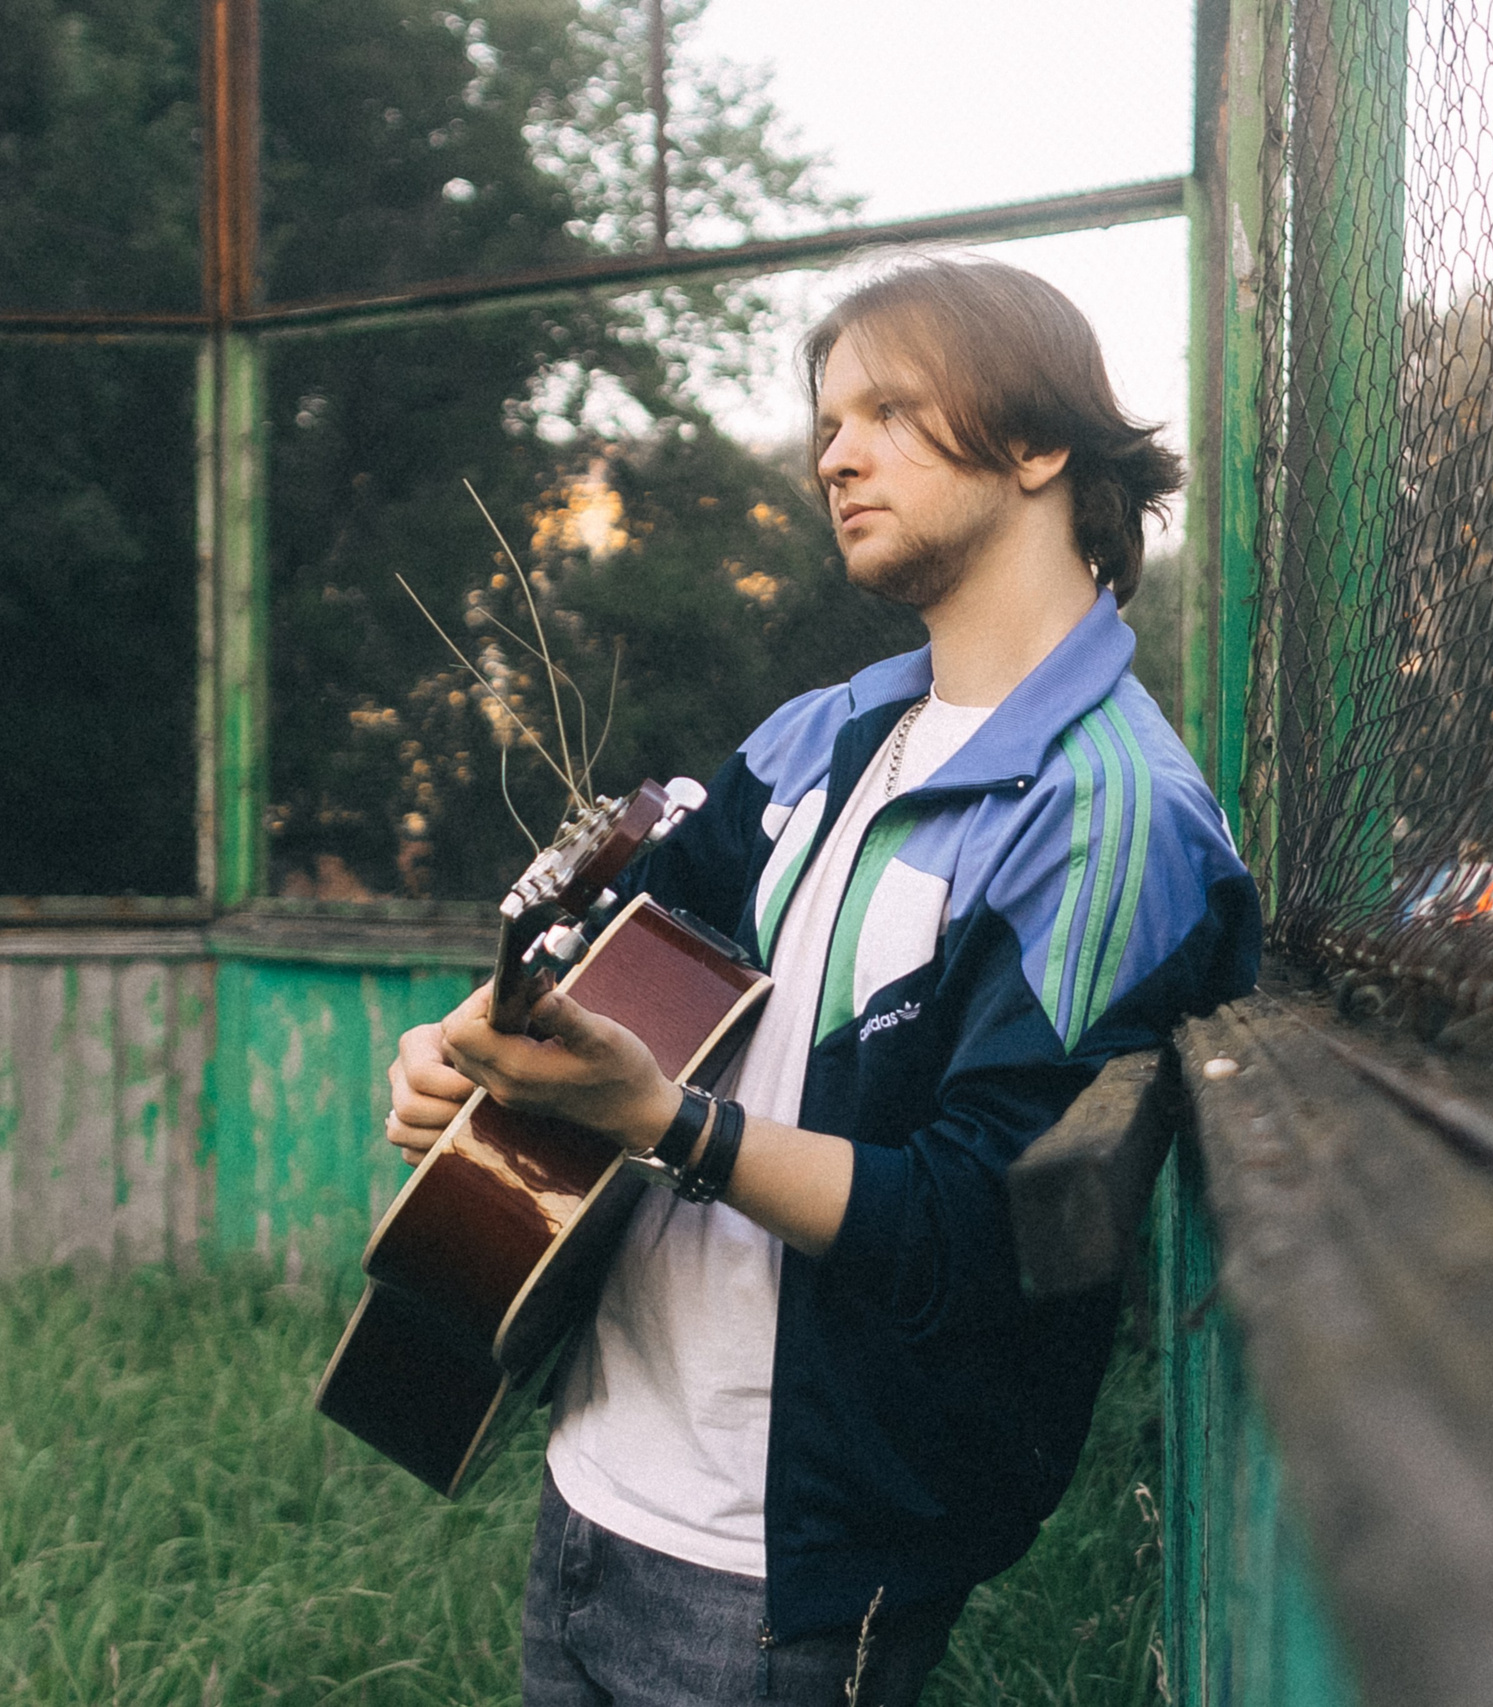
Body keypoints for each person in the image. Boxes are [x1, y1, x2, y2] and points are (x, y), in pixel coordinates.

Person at [385, 253, 1261, 1706]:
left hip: (789, 1573)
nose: (834, 454)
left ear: (1041, 443)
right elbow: (610, 977)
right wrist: (460, 1049)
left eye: (888, 412)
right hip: (596, 1476)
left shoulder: (1113, 818)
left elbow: (988, 1229)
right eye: (826, 423)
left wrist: (669, 1124)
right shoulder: (816, 736)